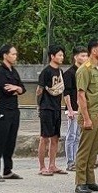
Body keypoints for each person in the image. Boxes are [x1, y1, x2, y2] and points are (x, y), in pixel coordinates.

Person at [73, 39, 98, 193]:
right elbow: (81, 95)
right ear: (94, 51)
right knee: (84, 149)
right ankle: (80, 181)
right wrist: (86, 118)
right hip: (90, 114)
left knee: (94, 149)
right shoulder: (84, 70)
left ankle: (90, 180)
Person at [0, 44, 26, 182]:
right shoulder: (0, 71)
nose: (15, 56)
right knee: (0, 140)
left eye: (16, 54)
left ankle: (8, 170)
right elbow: (7, 90)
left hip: (14, 110)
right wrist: (16, 89)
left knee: (11, 140)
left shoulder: (14, 71)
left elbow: (22, 88)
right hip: (3, 110)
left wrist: (17, 88)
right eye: (13, 54)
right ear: (5, 55)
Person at [36, 45, 66, 177]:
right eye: (59, 55)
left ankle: (52, 165)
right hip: (46, 107)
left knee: (55, 137)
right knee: (44, 138)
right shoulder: (46, 72)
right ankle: (42, 166)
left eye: (62, 55)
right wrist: (39, 105)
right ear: (52, 56)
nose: (61, 57)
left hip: (56, 108)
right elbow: (39, 90)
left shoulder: (60, 72)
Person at [63, 46, 88, 171]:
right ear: (75, 57)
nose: (85, 58)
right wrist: (70, 109)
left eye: (86, 56)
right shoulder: (69, 73)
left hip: (82, 108)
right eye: (82, 55)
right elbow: (66, 92)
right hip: (73, 108)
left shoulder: (84, 72)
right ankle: (70, 162)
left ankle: (78, 160)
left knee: (79, 136)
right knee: (71, 135)